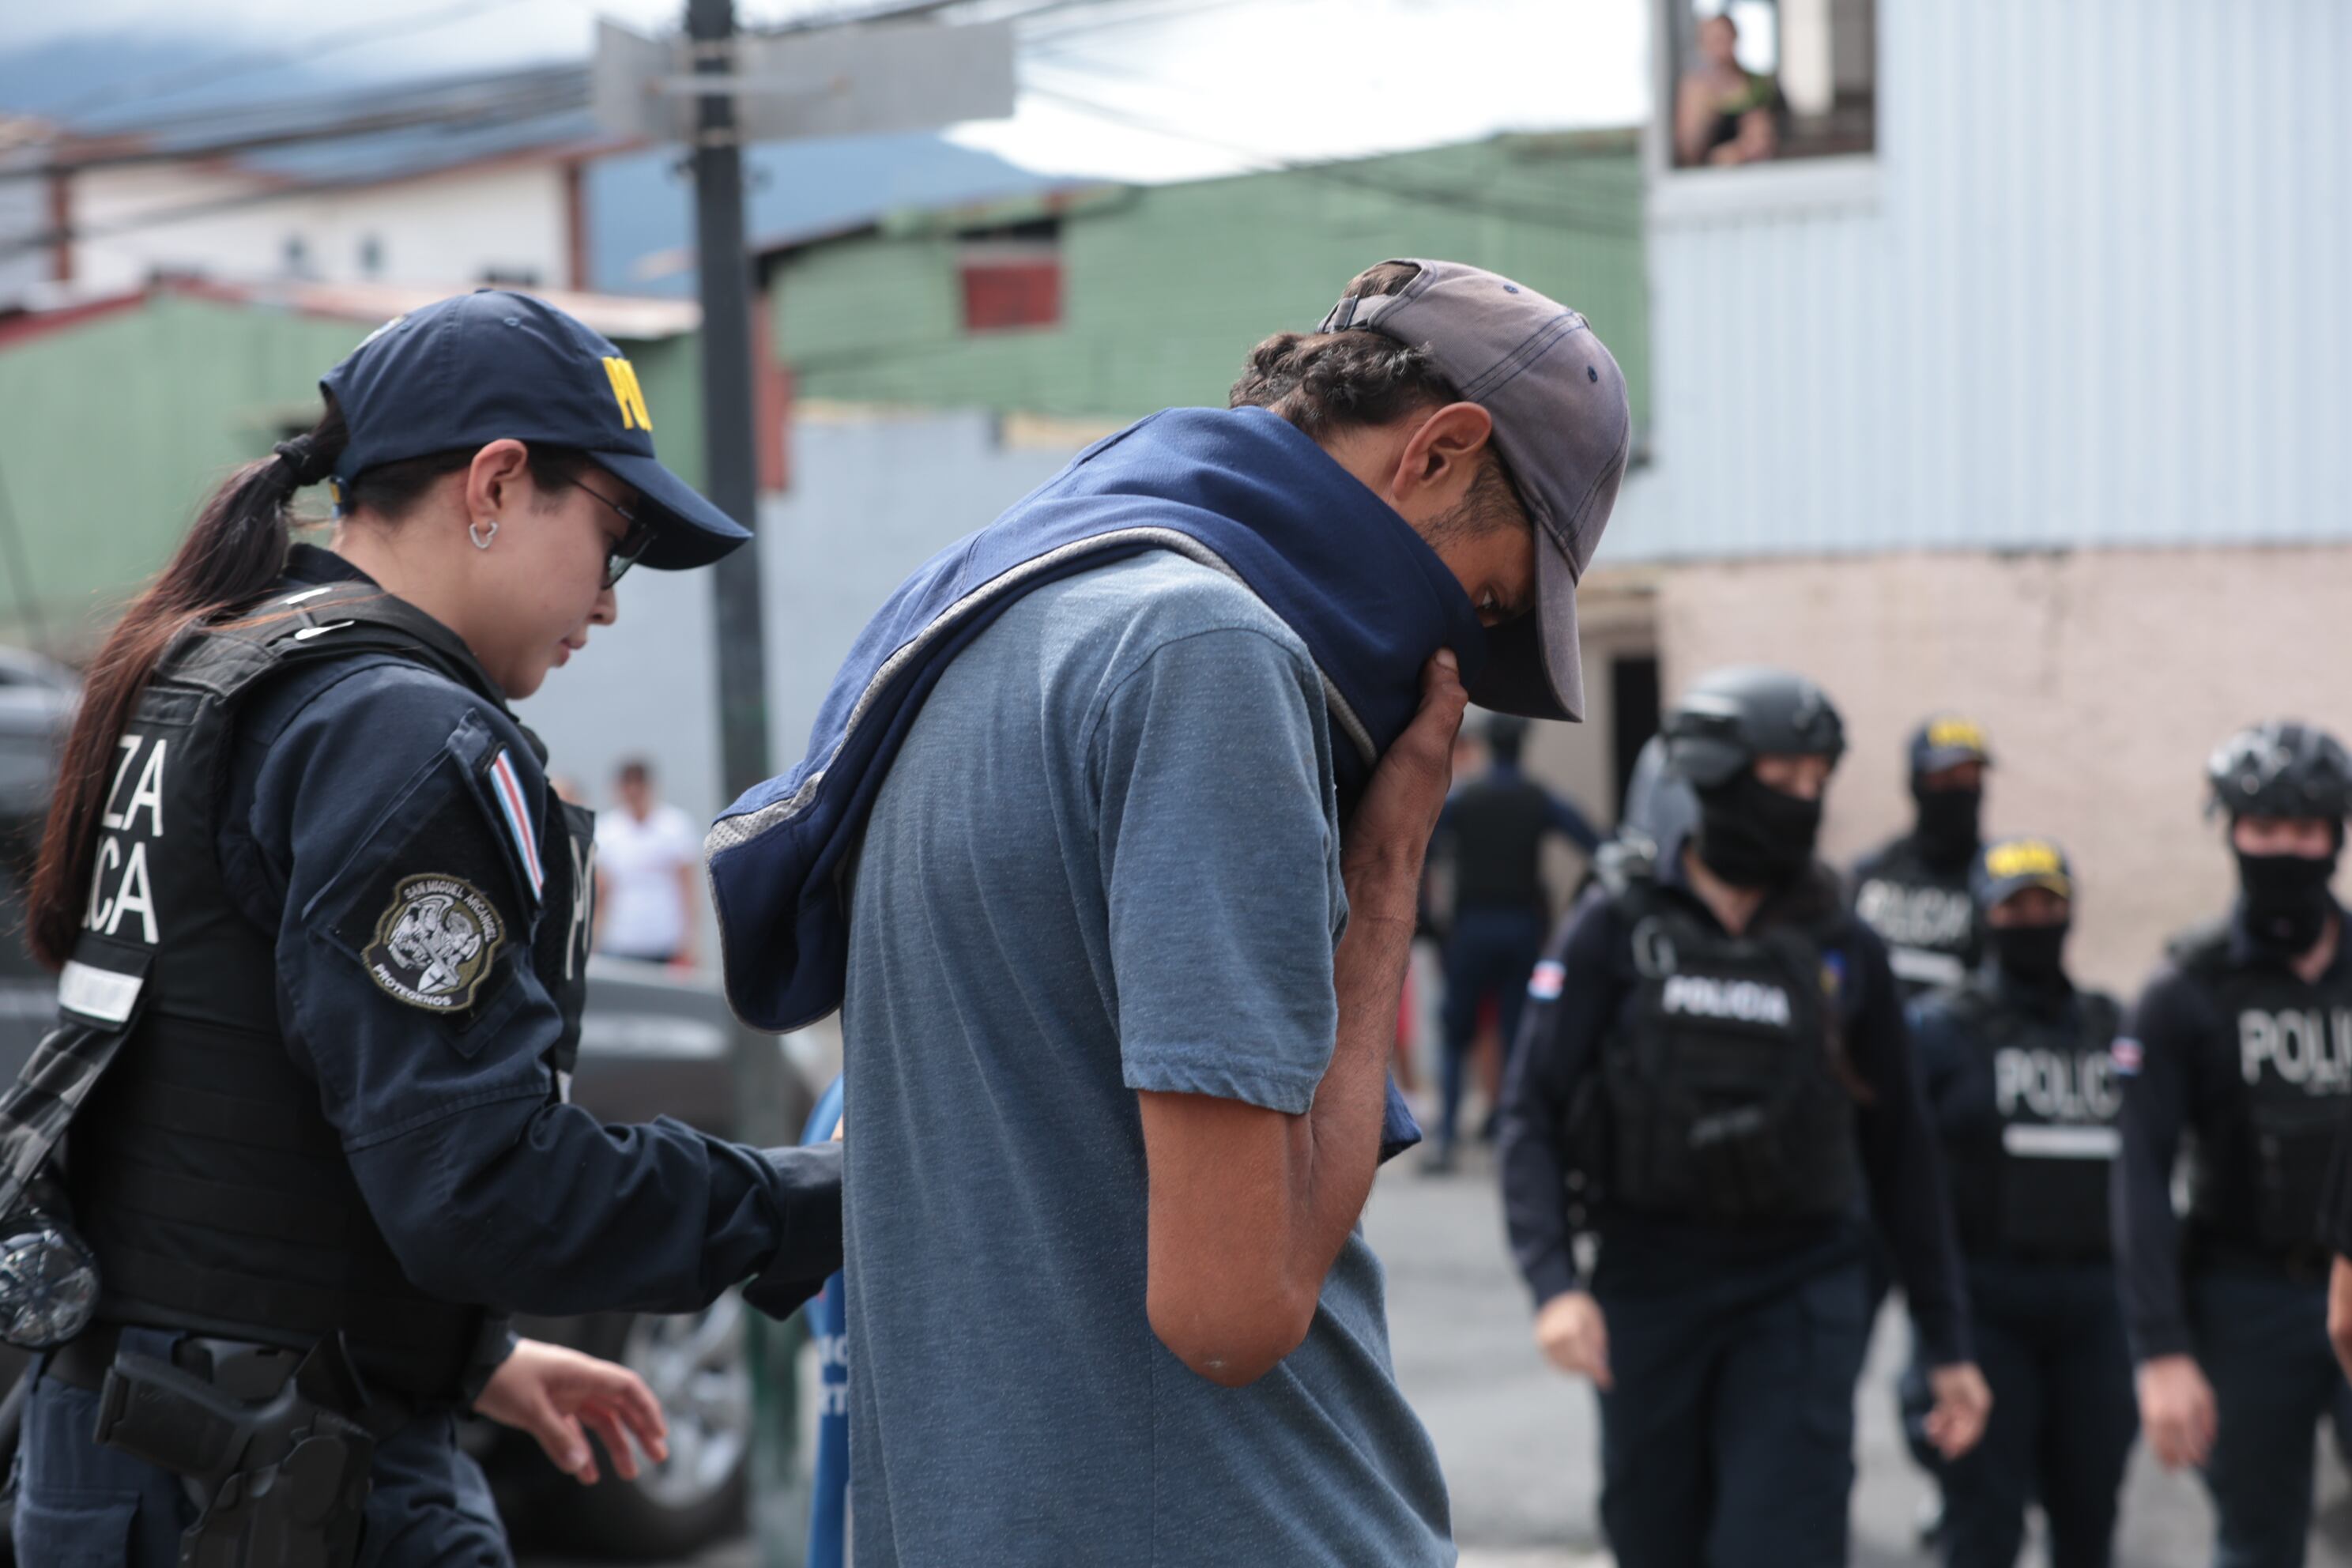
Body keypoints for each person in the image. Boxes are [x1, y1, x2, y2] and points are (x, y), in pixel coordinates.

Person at [704, 258, 1631, 1564]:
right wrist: (1380, 893)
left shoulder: (1002, 618)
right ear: (1439, 449)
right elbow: (1229, 1310)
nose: (1450, 674)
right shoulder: (1214, 661)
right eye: (1482, 604)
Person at [2, 290, 842, 1566]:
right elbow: (479, 1187)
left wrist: (470, 1351)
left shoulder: (215, 671)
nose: (609, 604)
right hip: (256, 1473)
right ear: (495, 482)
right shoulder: (399, 730)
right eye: (611, 541)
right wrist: (826, 1198)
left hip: (162, 1430)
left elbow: (227, 1108)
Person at [1498, 665, 1990, 1567]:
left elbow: (1904, 1149)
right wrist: (1553, 1284)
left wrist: (1947, 1339)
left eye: (1817, 781)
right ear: (1717, 775)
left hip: (1798, 1289)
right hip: (1649, 1286)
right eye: (1782, 778)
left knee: (1783, 1539)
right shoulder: (1617, 926)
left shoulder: (1842, 942)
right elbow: (1531, 1108)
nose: (1805, 800)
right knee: (1655, 1536)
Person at [2114, 719, 2352, 1568]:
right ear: (2231, 832)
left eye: (2306, 829)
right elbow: (2139, 1168)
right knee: (2257, 1541)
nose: (2285, 847)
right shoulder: (2186, 988)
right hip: (2247, 1293)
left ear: (2336, 836)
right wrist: (2161, 1349)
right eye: (2264, 828)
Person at [1900, 835, 2136, 1568]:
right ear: (1984, 916)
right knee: (1983, 1523)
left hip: (2096, 1306)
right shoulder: (1941, 1031)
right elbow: (1899, 1172)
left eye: (2048, 903)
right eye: (2015, 906)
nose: (2034, 918)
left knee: (2090, 1515)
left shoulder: (2109, 1027)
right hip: (1987, 1302)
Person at [1425, 712, 1602, 1171]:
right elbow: (1595, 843)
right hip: (1523, 930)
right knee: (1518, 1033)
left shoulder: (1464, 799)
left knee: (1455, 1033)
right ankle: (1513, 1135)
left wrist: (1426, 917)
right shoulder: (1539, 799)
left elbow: (1424, 848)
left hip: (1470, 930)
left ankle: (1446, 1141)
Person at [1853, 714, 1995, 1000]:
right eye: (1946, 778)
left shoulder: (1996, 884)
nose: (1959, 789)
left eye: (1969, 777)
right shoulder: (1871, 873)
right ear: (1917, 782)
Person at [593, 756, 703, 967]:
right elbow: (601, 891)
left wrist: (691, 940)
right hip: (620, 941)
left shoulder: (676, 826)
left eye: (639, 785)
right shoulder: (606, 830)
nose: (634, 792)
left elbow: (688, 887)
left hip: (666, 941)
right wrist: (594, 940)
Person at [1674, 12, 1781, 168]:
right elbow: (1687, 152)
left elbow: (1776, 136)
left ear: (1735, 38)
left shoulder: (1759, 84)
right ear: (1703, 44)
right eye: (1714, 40)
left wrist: (1748, 147)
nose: (1721, 47)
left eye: (1725, 38)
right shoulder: (1695, 90)